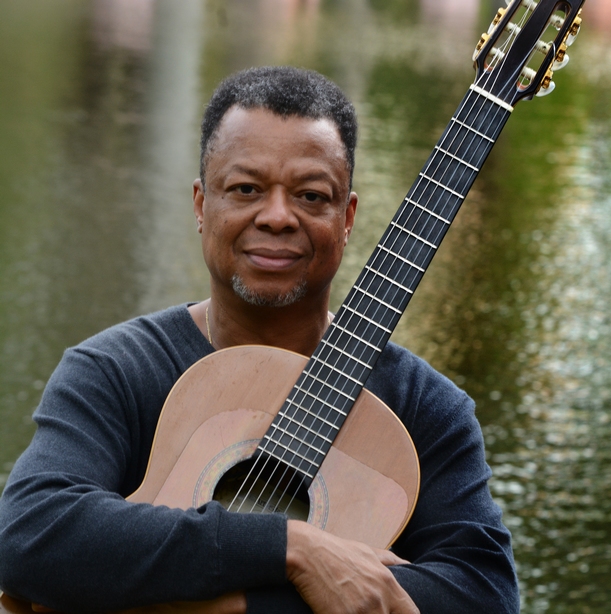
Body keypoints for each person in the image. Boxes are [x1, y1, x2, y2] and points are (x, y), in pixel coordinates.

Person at [0, 66, 518, 614]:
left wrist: (200, 601)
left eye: (311, 196)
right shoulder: (114, 370)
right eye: (246, 189)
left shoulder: (425, 409)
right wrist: (293, 548)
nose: (277, 216)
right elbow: (32, 534)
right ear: (202, 206)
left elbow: (483, 596)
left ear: (347, 218)